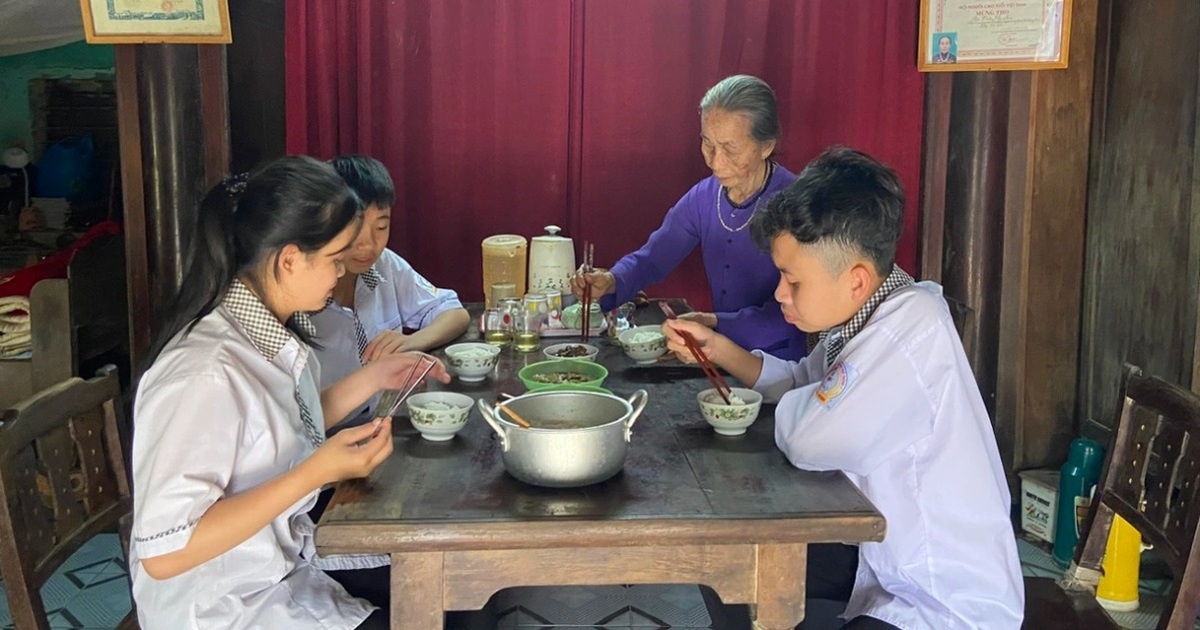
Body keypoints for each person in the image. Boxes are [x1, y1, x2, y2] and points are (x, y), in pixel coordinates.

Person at [662, 147, 1024, 629]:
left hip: (940, 599)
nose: (779, 294)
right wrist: (717, 348)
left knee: (742, 568)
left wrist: (809, 406)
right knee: (727, 565)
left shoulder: (907, 328)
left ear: (855, 280)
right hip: (882, 557)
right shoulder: (869, 313)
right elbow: (802, 382)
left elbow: (810, 440)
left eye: (792, 280)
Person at [130, 156, 450, 630]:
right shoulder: (203, 373)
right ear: (289, 259)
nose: (343, 273)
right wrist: (316, 471)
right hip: (224, 608)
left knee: (452, 590)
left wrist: (376, 377)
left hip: (279, 574)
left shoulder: (265, 334)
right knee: (447, 596)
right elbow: (166, 549)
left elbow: (279, 426)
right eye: (336, 259)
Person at [571, 74, 807, 359]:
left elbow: (801, 309)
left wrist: (716, 324)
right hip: (721, 353)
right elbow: (652, 258)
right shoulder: (705, 197)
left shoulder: (798, 203)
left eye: (730, 149)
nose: (715, 162)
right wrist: (611, 280)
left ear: (766, 146)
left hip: (782, 363)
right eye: (708, 144)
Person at [295, 155, 469, 429]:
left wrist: (414, 341)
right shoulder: (298, 293)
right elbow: (293, 422)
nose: (369, 244)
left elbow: (454, 311)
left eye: (381, 227)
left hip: (385, 419)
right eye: (354, 228)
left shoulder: (384, 264)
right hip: (323, 441)